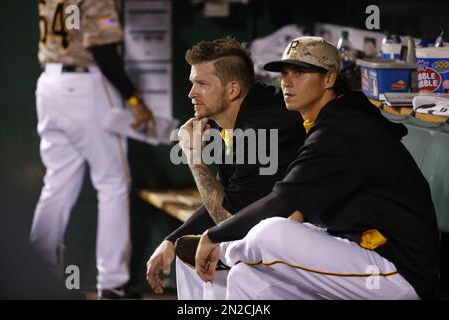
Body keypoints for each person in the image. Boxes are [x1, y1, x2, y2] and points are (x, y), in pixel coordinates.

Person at [194, 36, 440, 300]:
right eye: (285, 73)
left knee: (271, 232)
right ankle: (226, 250)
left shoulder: (343, 127)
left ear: (329, 78)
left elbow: (283, 200)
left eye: (299, 72)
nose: (287, 81)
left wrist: (213, 237)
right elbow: (301, 206)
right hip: (361, 251)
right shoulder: (328, 121)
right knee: (247, 279)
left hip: (398, 270)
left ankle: (224, 251)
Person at [145, 37, 305, 299]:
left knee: (202, 252)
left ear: (232, 89)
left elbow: (227, 217)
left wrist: (195, 158)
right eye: (192, 83)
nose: (191, 93)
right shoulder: (235, 120)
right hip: (270, 230)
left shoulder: (262, 129)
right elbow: (228, 198)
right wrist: (170, 241)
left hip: (314, 241)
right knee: (188, 248)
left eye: (202, 84)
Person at [30, 0, 154, 299]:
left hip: (48, 84)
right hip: (84, 83)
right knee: (112, 183)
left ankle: (33, 272)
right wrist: (135, 101)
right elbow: (103, 52)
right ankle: (112, 283)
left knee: (57, 183)